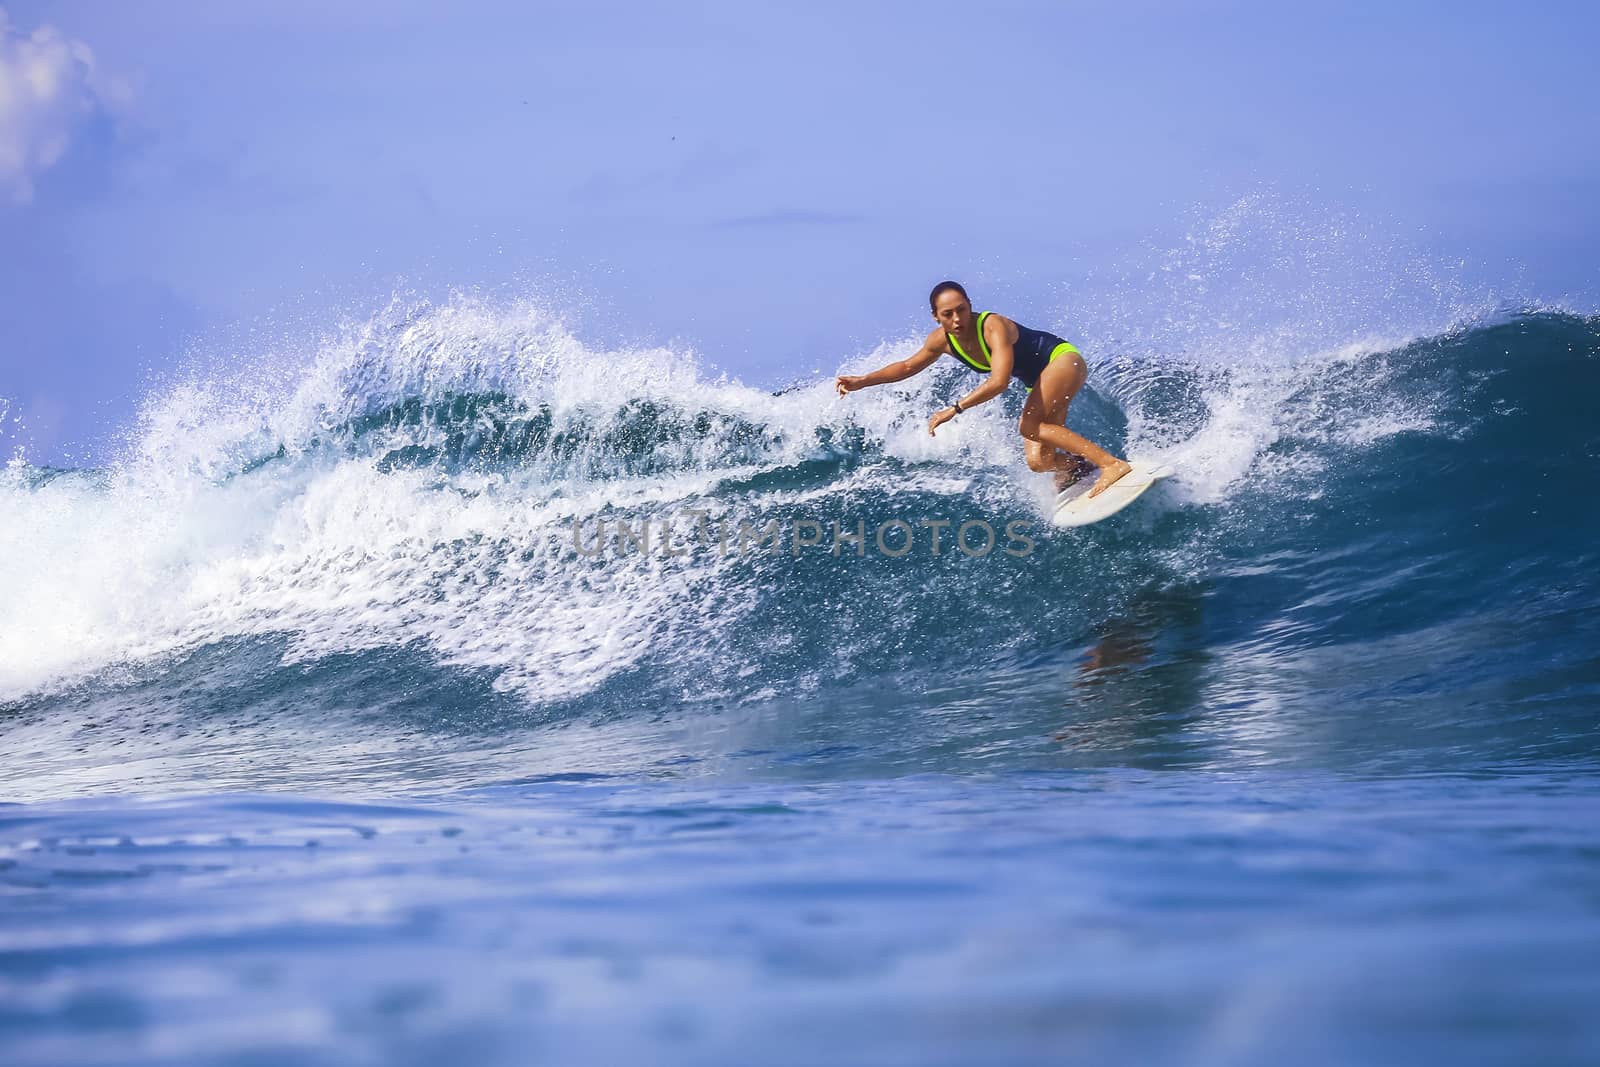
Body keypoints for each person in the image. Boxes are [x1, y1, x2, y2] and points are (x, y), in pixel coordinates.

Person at [835, 281, 1132, 497]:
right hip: (1039, 382)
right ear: (935, 316)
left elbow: (999, 381)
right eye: (948, 313)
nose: (957, 319)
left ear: (970, 306)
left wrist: (954, 409)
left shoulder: (992, 326)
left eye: (962, 310)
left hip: (1062, 361)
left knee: (1029, 426)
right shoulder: (941, 340)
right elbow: (907, 367)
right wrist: (862, 381)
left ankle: (1111, 464)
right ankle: (1077, 467)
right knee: (1038, 461)